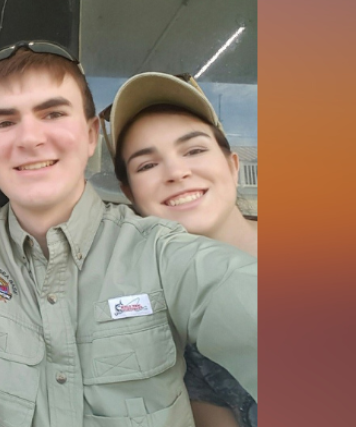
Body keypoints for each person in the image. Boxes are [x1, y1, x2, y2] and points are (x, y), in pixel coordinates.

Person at [0, 41, 257, 427]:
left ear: (91, 136)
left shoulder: (159, 249)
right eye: (5, 122)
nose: (30, 139)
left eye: (53, 113)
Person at [107, 72, 259, 427]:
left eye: (194, 150)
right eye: (147, 165)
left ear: (232, 166)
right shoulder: (166, 328)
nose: (176, 172)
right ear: (130, 195)